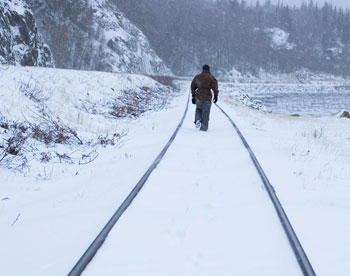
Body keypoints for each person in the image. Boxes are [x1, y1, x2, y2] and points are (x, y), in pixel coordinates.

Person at [190, 64, 219, 131]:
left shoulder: (197, 77)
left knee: (198, 109)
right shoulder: (211, 78)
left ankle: (197, 119)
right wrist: (216, 95)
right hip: (207, 97)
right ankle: (204, 127)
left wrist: (193, 95)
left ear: (202, 69)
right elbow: (215, 87)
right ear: (209, 70)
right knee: (206, 112)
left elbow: (192, 86)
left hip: (199, 96)